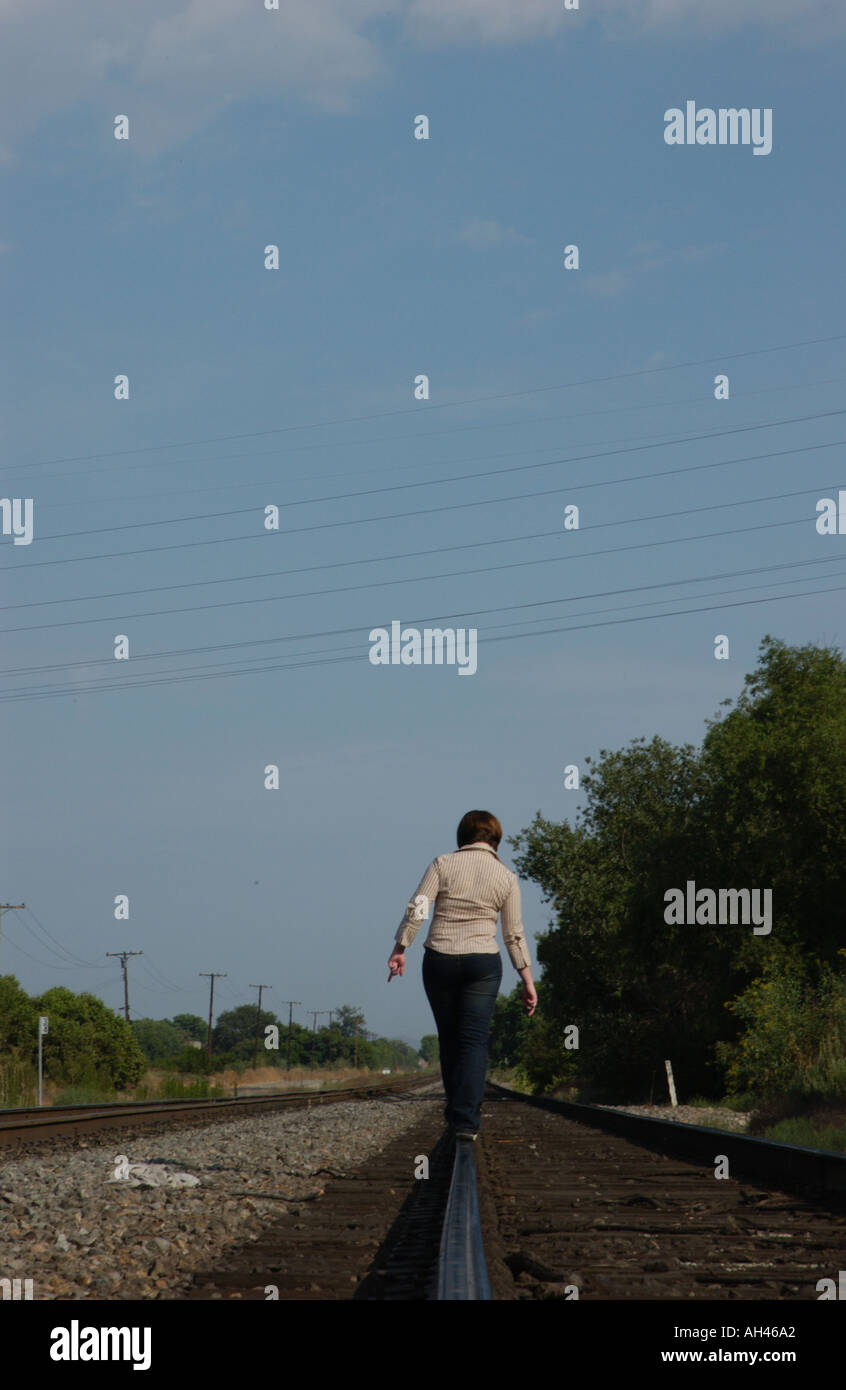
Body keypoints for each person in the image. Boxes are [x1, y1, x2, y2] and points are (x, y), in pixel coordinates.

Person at [387, 810, 537, 1141]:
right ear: (496, 839)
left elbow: (419, 908)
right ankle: (466, 1122)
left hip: (439, 958)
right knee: (474, 1040)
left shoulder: (443, 864)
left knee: (450, 1038)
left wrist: (401, 948)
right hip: (483, 963)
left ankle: (455, 1111)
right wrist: (527, 978)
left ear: (463, 835)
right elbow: (514, 934)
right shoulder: (506, 877)